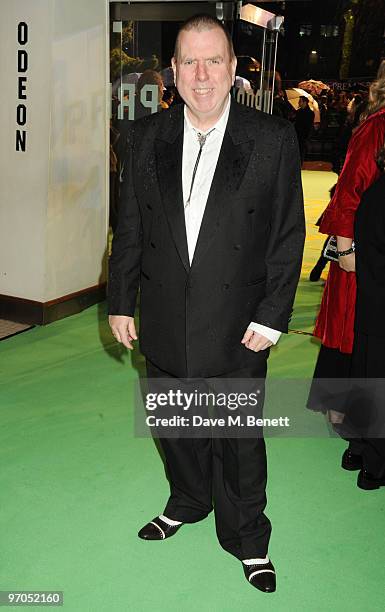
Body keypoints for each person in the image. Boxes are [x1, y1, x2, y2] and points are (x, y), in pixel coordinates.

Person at [108, 14, 305, 593]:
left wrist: (272, 316)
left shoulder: (270, 139)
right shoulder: (145, 137)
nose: (201, 74)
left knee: (238, 439)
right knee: (176, 425)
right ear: (172, 71)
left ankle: (248, 538)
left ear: (233, 68)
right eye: (189, 61)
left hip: (238, 322)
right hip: (165, 313)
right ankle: (188, 502)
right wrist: (122, 300)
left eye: (213, 60)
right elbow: (130, 229)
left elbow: (287, 236)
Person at [307, 61, 385, 471]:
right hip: (366, 256)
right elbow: (350, 191)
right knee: (357, 337)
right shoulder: (377, 127)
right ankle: (356, 431)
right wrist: (346, 248)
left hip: (372, 254)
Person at [347, 148, 385, 490]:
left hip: (371, 305)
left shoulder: (374, 193)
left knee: (366, 376)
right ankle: (374, 465)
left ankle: (358, 450)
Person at [294, 95, 315, 164]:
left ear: (304, 102)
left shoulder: (310, 113)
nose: (298, 103)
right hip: (297, 134)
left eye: (300, 101)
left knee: (302, 150)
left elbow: (308, 125)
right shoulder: (298, 112)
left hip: (304, 135)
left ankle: (300, 163)